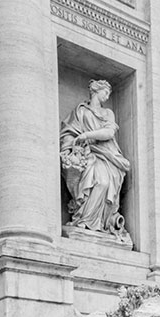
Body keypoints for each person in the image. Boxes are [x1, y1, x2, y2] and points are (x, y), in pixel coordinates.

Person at [60, 79, 131, 242]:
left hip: (107, 155)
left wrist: (86, 135)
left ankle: (100, 223)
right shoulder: (80, 112)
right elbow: (68, 133)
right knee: (96, 181)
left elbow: (109, 133)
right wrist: (70, 148)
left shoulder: (108, 113)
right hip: (87, 154)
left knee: (104, 183)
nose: (107, 96)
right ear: (96, 91)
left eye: (109, 94)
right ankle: (84, 220)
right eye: (105, 92)